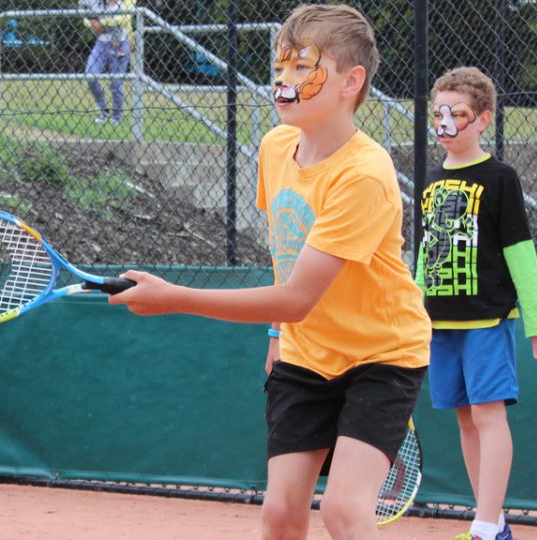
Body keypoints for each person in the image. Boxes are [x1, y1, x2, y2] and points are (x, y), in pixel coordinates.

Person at [109, 5, 431, 539]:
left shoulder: (364, 174)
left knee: (345, 513)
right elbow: (287, 251)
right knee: (281, 516)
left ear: (352, 82)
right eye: (279, 68)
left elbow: (298, 295)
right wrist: (278, 332)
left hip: (382, 355)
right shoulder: (276, 146)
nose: (283, 81)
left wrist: (176, 297)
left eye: (303, 69)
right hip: (306, 355)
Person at [416, 66, 537, 540]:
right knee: (464, 417)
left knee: (487, 414)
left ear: (482, 119)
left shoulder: (501, 178)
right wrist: (414, 311)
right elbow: (426, 252)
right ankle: (492, 523)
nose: (446, 123)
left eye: (458, 113)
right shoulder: (432, 181)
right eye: (439, 113)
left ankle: (483, 526)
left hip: (487, 320)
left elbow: (521, 251)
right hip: (440, 325)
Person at [78, 0, 135, 125]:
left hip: (121, 44)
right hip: (101, 43)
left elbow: (122, 19)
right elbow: (84, 17)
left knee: (116, 83)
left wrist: (101, 24)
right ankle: (103, 110)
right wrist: (93, 22)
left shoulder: (127, 2)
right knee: (90, 75)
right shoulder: (96, 3)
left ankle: (117, 116)